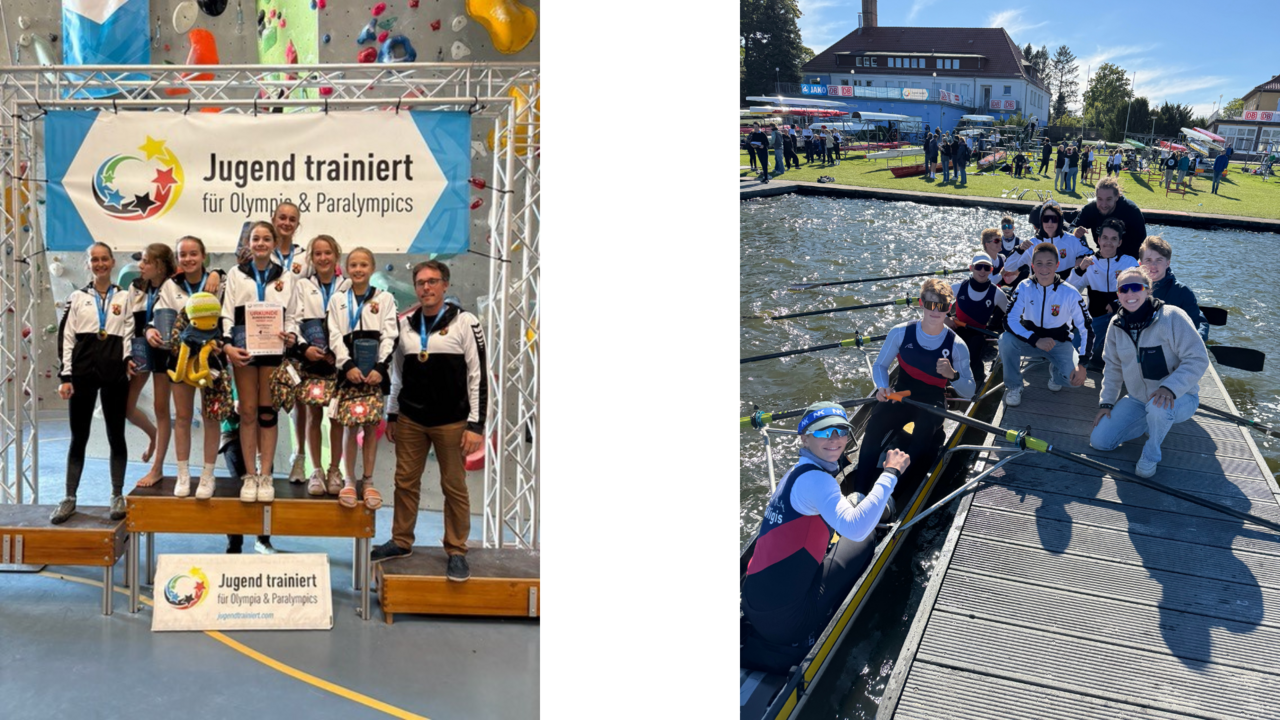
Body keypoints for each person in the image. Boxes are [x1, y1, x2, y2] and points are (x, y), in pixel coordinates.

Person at [739, 403, 909, 657]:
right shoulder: (819, 481)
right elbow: (857, 529)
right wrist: (890, 473)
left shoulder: (795, 473)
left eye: (841, 431)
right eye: (823, 432)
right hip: (789, 625)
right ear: (804, 438)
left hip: (751, 601)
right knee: (867, 538)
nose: (835, 439)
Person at [375, 260, 488, 579]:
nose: (426, 287)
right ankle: (400, 541)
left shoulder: (466, 322)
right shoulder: (405, 324)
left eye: (433, 281)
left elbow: (478, 377)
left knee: (454, 486)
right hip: (411, 419)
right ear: (415, 287)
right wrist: (393, 414)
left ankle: (456, 549)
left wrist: (476, 425)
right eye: (421, 282)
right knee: (404, 483)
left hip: (452, 422)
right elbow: (397, 375)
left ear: (445, 285)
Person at [852, 279, 975, 496]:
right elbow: (880, 365)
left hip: (933, 400)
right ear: (921, 304)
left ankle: (890, 498)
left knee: (922, 435)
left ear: (950, 307)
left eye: (942, 306)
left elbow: (970, 391)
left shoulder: (956, 345)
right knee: (875, 424)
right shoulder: (900, 332)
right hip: (902, 394)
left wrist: (952, 375)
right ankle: (859, 492)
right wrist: (882, 387)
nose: (935, 311)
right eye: (930, 305)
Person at [1090, 266, 1209, 478]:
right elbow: (1113, 368)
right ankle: (1150, 421)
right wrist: (1106, 403)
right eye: (1123, 289)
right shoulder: (1115, 326)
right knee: (1099, 442)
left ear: (1148, 289)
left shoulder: (1172, 317)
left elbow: (1198, 358)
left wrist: (1169, 388)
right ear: (1118, 294)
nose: (1130, 294)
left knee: (1158, 407)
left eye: (1136, 287)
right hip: (1138, 398)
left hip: (1181, 396)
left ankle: (1151, 452)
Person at [220, 220, 302, 503]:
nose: (261, 244)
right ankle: (250, 475)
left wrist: (290, 333)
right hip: (243, 350)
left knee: (268, 411)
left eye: (267, 239)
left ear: (275, 243)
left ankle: (266, 475)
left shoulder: (286, 276)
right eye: (256, 238)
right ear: (248, 243)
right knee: (248, 412)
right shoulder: (236, 273)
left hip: (272, 348)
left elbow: (292, 314)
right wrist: (227, 345)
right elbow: (227, 313)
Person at [52, 242, 134, 524]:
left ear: (113, 263)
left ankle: (117, 495)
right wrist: (66, 376)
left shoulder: (125, 297)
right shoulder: (76, 297)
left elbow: (129, 332)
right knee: (79, 436)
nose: (100, 264)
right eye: (94, 260)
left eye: (104, 259)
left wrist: (127, 362)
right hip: (82, 375)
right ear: (88, 264)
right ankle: (69, 497)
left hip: (115, 375)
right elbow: (66, 338)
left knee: (116, 435)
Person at [146, 236, 225, 499]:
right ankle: (183, 474)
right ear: (178, 259)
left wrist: (217, 272)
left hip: (211, 359)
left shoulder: (218, 282)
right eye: (183, 255)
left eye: (194, 254)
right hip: (180, 359)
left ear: (204, 256)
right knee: (181, 416)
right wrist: (150, 332)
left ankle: (208, 475)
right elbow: (157, 315)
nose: (188, 259)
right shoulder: (171, 285)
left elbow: (227, 318)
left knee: (211, 416)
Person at [327, 247, 397, 510]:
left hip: (375, 374)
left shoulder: (385, 299)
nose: (358, 270)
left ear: (372, 268)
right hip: (349, 373)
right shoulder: (337, 300)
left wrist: (380, 366)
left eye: (364, 265)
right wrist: (347, 365)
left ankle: (368, 480)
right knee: (349, 425)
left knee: (370, 426)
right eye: (353, 265)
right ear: (346, 268)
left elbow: (390, 335)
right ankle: (348, 478)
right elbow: (334, 335)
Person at [999, 242, 1092, 407]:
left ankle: (1055, 372)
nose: (1044, 269)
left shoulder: (1070, 292)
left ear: (1057, 265)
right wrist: (1035, 340)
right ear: (1033, 266)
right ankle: (1014, 386)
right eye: (1039, 264)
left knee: (1074, 380)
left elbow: (1086, 328)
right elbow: (1009, 320)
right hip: (1030, 341)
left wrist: (1083, 363)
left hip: (1059, 343)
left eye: (1049, 264)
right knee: (1005, 340)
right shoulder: (1024, 287)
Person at [290, 234, 347, 496]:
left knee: (336, 416)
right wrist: (304, 348)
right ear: (311, 259)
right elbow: (294, 320)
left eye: (328, 253)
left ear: (336, 255)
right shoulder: (303, 286)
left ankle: (335, 469)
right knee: (313, 414)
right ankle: (316, 469)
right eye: (317, 254)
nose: (323, 258)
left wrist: (344, 352)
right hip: (312, 359)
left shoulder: (347, 285)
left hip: (340, 361)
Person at [125, 244, 177, 488]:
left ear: (160, 265)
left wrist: (214, 273)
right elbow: (127, 323)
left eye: (145, 261)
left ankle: (157, 468)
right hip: (139, 350)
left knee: (160, 408)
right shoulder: (135, 287)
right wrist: (127, 356)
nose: (140, 265)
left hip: (162, 352)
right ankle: (153, 434)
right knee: (127, 407)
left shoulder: (174, 285)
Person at [1066, 218, 1139, 371]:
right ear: (1098, 240)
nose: (1108, 243)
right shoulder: (1089, 263)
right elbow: (1068, 290)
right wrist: (1079, 270)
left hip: (1122, 319)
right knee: (1071, 350)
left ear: (1119, 242)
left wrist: (1117, 303)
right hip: (1096, 319)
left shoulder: (1129, 263)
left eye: (1113, 239)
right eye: (1105, 238)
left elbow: (1140, 292)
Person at [1030, 177, 1147, 259]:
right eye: (1100, 199)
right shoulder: (1091, 209)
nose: (1103, 204)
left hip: (1127, 257)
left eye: (1109, 199)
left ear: (1117, 196)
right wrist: (1075, 231)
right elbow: (1072, 227)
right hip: (1102, 255)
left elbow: (1142, 244)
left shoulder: (1132, 212)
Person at [948, 246, 1010, 387]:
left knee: (973, 351)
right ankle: (947, 378)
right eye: (978, 267)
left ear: (991, 270)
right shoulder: (958, 287)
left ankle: (976, 381)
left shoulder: (997, 293)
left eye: (986, 268)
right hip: (957, 328)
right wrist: (946, 317)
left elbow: (1012, 312)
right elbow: (937, 301)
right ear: (971, 268)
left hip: (978, 333)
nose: (982, 271)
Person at [1139, 235, 1209, 342]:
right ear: (1141, 263)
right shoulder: (1131, 289)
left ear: (1168, 263)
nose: (1153, 265)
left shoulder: (1182, 291)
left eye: (1159, 260)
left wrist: (1195, 342)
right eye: (1148, 260)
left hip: (1171, 345)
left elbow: (1199, 323)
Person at [1005, 200, 1092, 281]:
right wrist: (1019, 250)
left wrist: (1081, 260)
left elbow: (1093, 259)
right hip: (1039, 295)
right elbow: (1009, 267)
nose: (1050, 223)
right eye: (1046, 219)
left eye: (1054, 219)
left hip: (1066, 295)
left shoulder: (1073, 240)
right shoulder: (1031, 243)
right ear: (1041, 221)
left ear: (1060, 220)